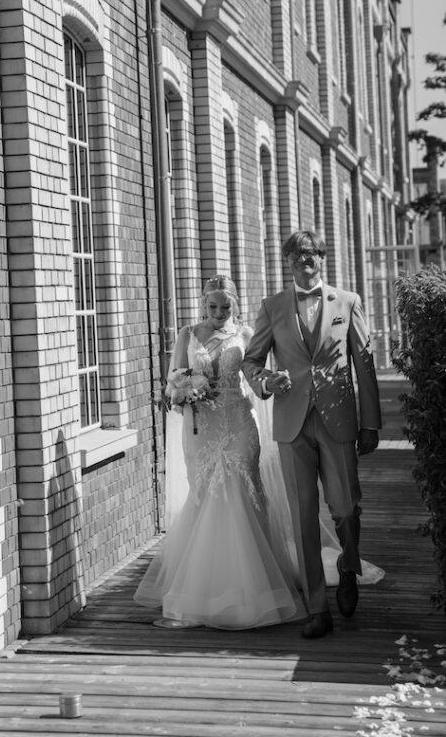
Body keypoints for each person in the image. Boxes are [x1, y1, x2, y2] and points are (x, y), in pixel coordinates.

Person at [134, 276, 306, 629]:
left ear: (234, 304)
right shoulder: (187, 335)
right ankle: (205, 586)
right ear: (203, 303)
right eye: (212, 306)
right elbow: (172, 381)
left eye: (225, 306)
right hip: (201, 427)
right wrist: (183, 391)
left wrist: (271, 382)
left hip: (239, 421)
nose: (218, 312)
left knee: (243, 490)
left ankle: (257, 585)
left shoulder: (245, 335)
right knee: (205, 493)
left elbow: (256, 375)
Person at [243, 229, 382, 639]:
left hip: (338, 420)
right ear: (288, 261)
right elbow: (251, 361)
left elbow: (365, 364)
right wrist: (266, 381)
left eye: (311, 253)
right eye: (297, 254)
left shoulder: (348, 302)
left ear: (322, 258)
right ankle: (317, 609)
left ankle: (348, 567)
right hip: (292, 424)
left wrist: (370, 422)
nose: (304, 259)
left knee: (346, 508)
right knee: (303, 516)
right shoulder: (272, 307)